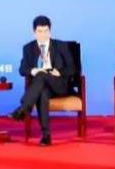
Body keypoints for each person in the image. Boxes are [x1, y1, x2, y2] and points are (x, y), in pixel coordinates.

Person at [9, 15, 74, 146]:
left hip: (59, 85)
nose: (43, 35)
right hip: (41, 87)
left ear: (50, 31)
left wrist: (60, 72)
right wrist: (33, 70)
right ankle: (46, 136)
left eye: (46, 31)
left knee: (42, 75)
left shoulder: (61, 46)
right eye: (40, 31)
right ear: (34, 32)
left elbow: (73, 68)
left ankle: (23, 108)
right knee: (42, 91)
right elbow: (22, 69)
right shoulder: (28, 48)